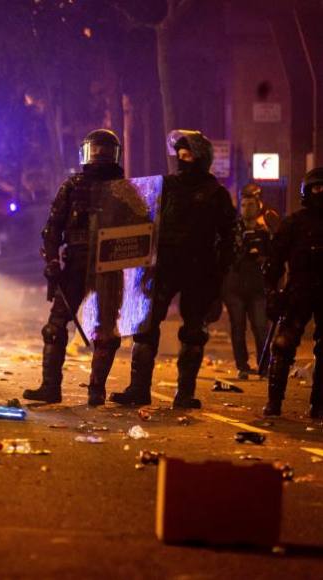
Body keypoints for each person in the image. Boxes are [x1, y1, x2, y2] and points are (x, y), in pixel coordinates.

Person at [110, 129, 236, 409]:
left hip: (199, 269)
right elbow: (139, 216)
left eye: (188, 154)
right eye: (179, 154)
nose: (182, 158)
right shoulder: (165, 186)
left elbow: (229, 237)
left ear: (201, 157)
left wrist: (220, 274)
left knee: (194, 331)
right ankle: (138, 389)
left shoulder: (216, 194)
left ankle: (185, 394)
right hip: (163, 266)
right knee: (146, 327)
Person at [23, 129, 131, 406]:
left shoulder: (126, 191)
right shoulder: (72, 187)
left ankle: (97, 390)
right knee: (55, 328)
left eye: (104, 151)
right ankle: (50, 387)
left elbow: (141, 234)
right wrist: (52, 261)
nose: (99, 156)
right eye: (95, 150)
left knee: (106, 333)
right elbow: (52, 229)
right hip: (75, 262)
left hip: (109, 265)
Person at [262, 168, 323, 418]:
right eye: (316, 188)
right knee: (283, 344)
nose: (321, 193)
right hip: (299, 289)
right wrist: (272, 292)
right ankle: (274, 402)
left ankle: (318, 405)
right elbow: (275, 261)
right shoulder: (294, 223)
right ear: (307, 192)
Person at [222, 188, 270, 379]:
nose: (246, 209)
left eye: (250, 205)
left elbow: (272, 257)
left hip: (257, 286)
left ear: (258, 207)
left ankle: (264, 365)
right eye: (243, 205)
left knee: (260, 327)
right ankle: (242, 365)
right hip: (234, 285)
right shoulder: (233, 230)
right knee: (238, 327)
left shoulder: (264, 231)